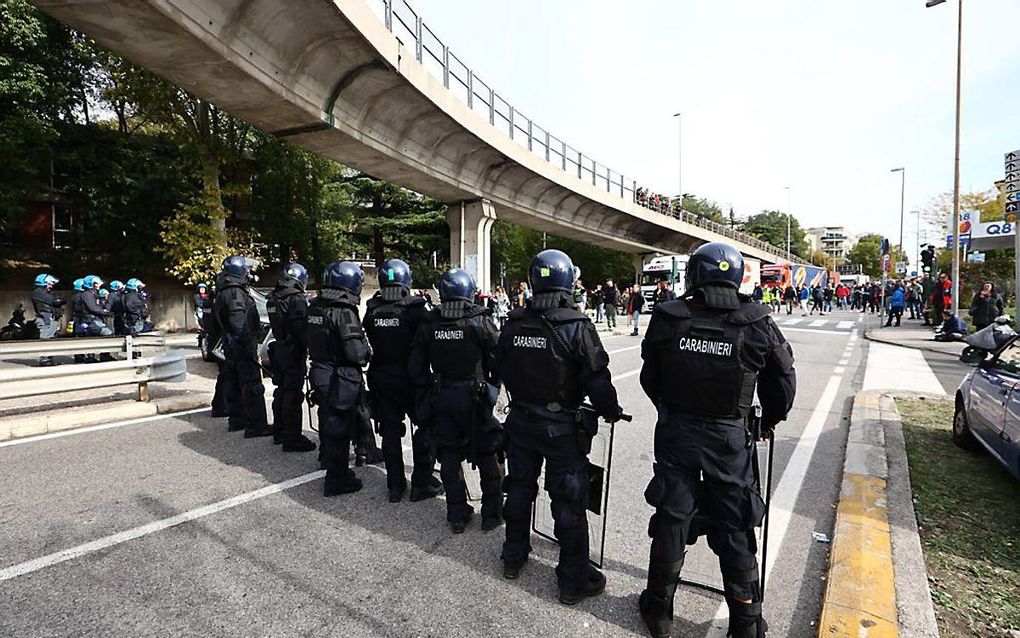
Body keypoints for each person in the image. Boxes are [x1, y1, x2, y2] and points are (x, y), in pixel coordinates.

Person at [636, 242, 796, 638]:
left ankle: (659, 610)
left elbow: (649, 377)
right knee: (735, 523)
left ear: (694, 275)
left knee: (673, 518)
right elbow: (784, 383)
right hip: (729, 438)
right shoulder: (757, 321)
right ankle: (745, 623)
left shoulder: (668, 317)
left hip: (678, 433)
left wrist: (669, 408)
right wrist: (765, 422)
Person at [496, 249, 624, 604]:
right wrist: (610, 410)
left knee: (519, 489)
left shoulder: (514, 323)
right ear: (568, 281)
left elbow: (500, 367)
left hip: (521, 421)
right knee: (568, 501)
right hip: (561, 428)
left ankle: (513, 556)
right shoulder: (576, 327)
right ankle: (572, 581)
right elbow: (597, 380)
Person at [409, 268, 502, 533]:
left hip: (443, 395)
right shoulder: (479, 321)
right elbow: (500, 356)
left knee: (449, 455)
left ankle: (457, 515)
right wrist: (493, 386)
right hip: (475, 397)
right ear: (469, 291)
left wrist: (429, 390)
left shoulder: (430, 323)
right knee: (486, 452)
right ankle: (491, 515)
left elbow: (416, 367)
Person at [363, 258, 443, 503]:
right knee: (427, 428)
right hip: (412, 380)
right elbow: (433, 334)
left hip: (382, 378)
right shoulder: (416, 308)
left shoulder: (372, 308)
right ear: (406, 280)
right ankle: (422, 482)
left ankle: (395, 486)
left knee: (389, 432)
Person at [307, 261, 372, 496]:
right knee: (340, 428)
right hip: (340, 377)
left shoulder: (314, 307)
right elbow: (356, 353)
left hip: (320, 372)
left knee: (327, 421)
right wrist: (366, 350)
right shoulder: (343, 312)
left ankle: (328, 461)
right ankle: (337, 479)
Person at [213, 256, 272, 438]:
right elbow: (239, 324)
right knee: (251, 385)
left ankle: (237, 419)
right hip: (240, 346)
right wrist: (249, 347)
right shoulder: (234, 293)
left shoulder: (228, 290)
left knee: (234, 382)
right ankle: (256, 426)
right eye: (246, 269)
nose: (248, 272)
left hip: (233, 346)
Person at [265, 262, 316, 453]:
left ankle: (279, 431)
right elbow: (301, 329)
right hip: (293, 350)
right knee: (293, 395)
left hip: (278, 348)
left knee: (281, 391)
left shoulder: (273, 298)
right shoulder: (296, 299)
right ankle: (292, 438)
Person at [31, 273, 64, 366]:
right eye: (50, 283)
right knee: (46, 337)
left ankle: (49, 358)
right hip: (45, 319)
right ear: (43, 282)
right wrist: (58, 301)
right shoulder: (38, 292)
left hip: (50, 318)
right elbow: (54, 301)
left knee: (52, 337)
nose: (52, 285)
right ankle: (44, 359)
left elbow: (59, 301)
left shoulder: (45, 292)